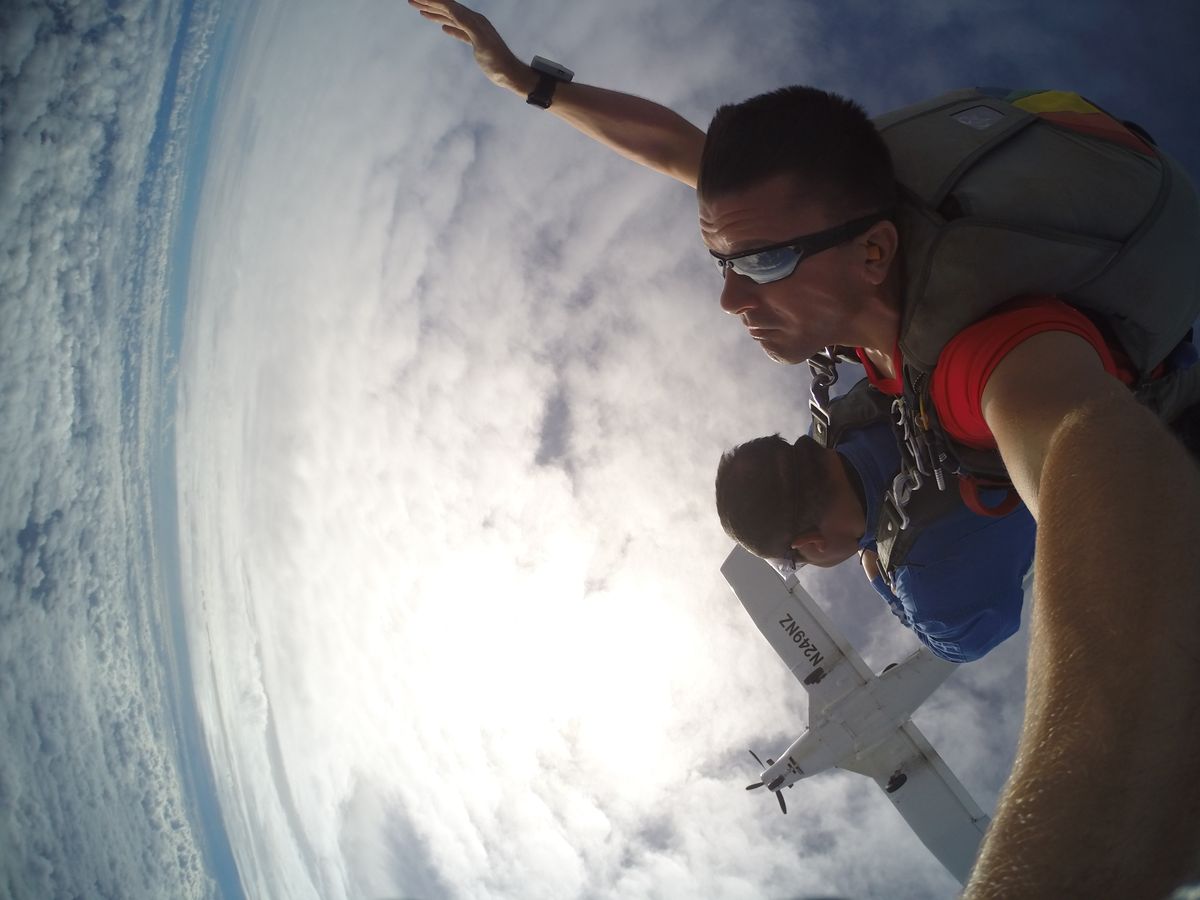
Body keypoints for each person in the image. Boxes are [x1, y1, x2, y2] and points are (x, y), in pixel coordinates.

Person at [412, 3, 1200, 895]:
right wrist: (527, 80)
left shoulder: (987, 364)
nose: (731, 298)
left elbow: (1088, 463)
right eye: (723, 262)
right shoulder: (834, 217)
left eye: (761, 265)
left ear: (874, 254)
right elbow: (678, 150)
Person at [716, 380, 1035, 665]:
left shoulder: (928, 590)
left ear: (812, 543)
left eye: (793, 562)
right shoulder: (847, 413)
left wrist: (881, 579)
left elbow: (962, 647)